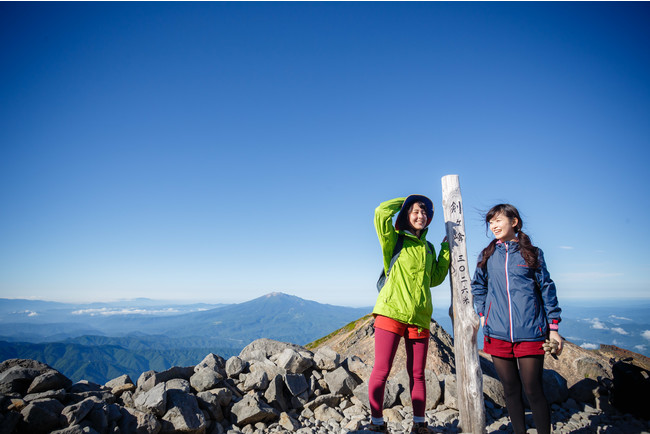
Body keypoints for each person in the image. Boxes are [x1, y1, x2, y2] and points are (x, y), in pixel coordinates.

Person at [471, 204, 562, 434]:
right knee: (510, 390)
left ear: (514, 222)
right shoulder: (487, 254)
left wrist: (553, 328)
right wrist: (483, 314)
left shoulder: (532, 253)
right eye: (490, 222)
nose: (493, 225)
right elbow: (478, 286)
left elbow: (547, 289)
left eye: (498, 220)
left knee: (533, 390)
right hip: (497, 332)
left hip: (531, 332)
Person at [368, 195, 450, 433]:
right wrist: (407, 199)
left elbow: (434, 279)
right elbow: (381, 213)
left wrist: (445, 250)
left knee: (418, 374)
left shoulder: (428, 248)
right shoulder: (394, 240)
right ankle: (376, 423)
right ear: (405, 215)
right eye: (415, 211)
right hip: (391, 312)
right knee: (382, 370)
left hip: (420, 316)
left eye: (424, 212)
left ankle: (419, 424)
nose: (420, 216)